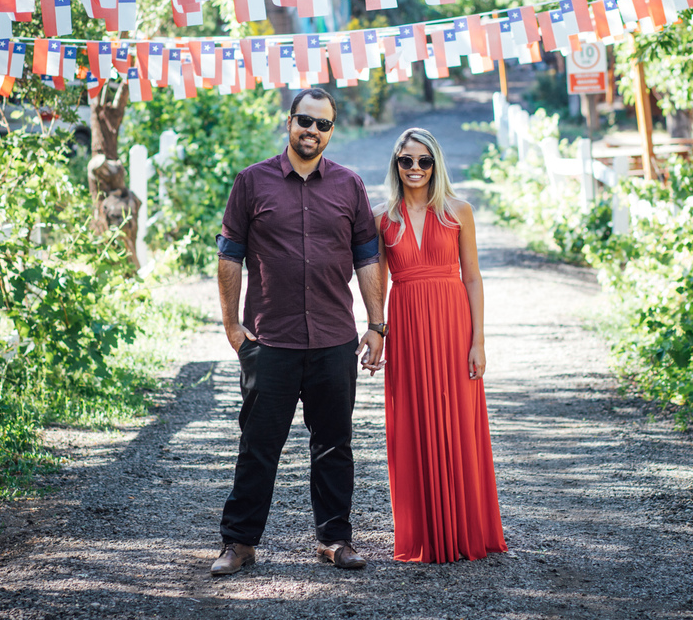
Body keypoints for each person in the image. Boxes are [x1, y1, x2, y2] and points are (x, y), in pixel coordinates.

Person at [211, 87, 387, 576]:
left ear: (332, 130)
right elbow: (229, 255)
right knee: (258, 446)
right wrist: (232, 327)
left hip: (334, 339)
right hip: (270, 341)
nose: (313, 131)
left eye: (323, 124)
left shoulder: (349, 185)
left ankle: (335, 539)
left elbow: (367, 258)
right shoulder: (251, 182)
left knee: (334, 444)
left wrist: (376, 325)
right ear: (289, 122)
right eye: (305, 121)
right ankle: (240, 543)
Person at [374, 127, 506, 563]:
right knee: (413, 423)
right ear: (396, 165)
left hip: (453, 328)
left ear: (435, 164)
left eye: (423, 161)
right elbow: (377, 280)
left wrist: (479, 341)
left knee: (457, 423)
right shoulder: (382, 218)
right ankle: (424, 534)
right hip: (409, 330)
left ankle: (466, 529)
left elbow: (472, 276)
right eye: (406, 161)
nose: (415, 169)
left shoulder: (458, 210)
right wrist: (376, 331)